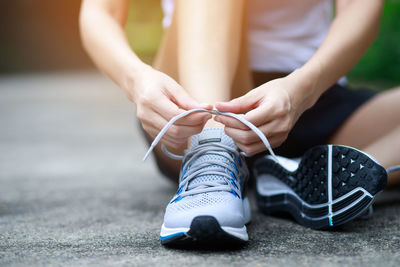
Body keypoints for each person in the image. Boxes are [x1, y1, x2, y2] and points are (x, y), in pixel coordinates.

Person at [80, 0, 400, 245]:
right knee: (209, 124)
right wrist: (137, 81)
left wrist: (301, 91)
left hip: (308, 94)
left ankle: (301, 178)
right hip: (195, 105)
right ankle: (212, 157)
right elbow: (98, 13)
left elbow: (360, 6)